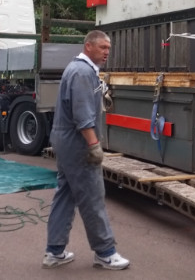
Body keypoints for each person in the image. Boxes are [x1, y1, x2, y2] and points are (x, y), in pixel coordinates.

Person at [42, 30, 130, 270]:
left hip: (66, 142)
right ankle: (105, 252)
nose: (107, 52)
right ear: (88, 46)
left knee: (65, 196)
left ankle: (54, 251)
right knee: (92, 196)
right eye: (102, 47)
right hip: (77, 145)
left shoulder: (81, 70)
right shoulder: (82, 73)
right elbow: (82, 115)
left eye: (108, 48)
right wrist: (93, 145)